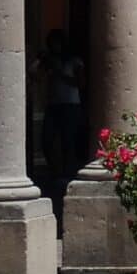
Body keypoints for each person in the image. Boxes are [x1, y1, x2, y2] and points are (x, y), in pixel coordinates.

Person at [41, 29, 86, 191]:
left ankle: (68, 175)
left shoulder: (74, 62)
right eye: (51, 44)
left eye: (56, 43)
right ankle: (56, 172)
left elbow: (81, 83)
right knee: (46, 141)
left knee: (68, 141)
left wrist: (60, 73)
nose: (54, 47)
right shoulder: (49, 62)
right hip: (53, 105)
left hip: (70, 105)